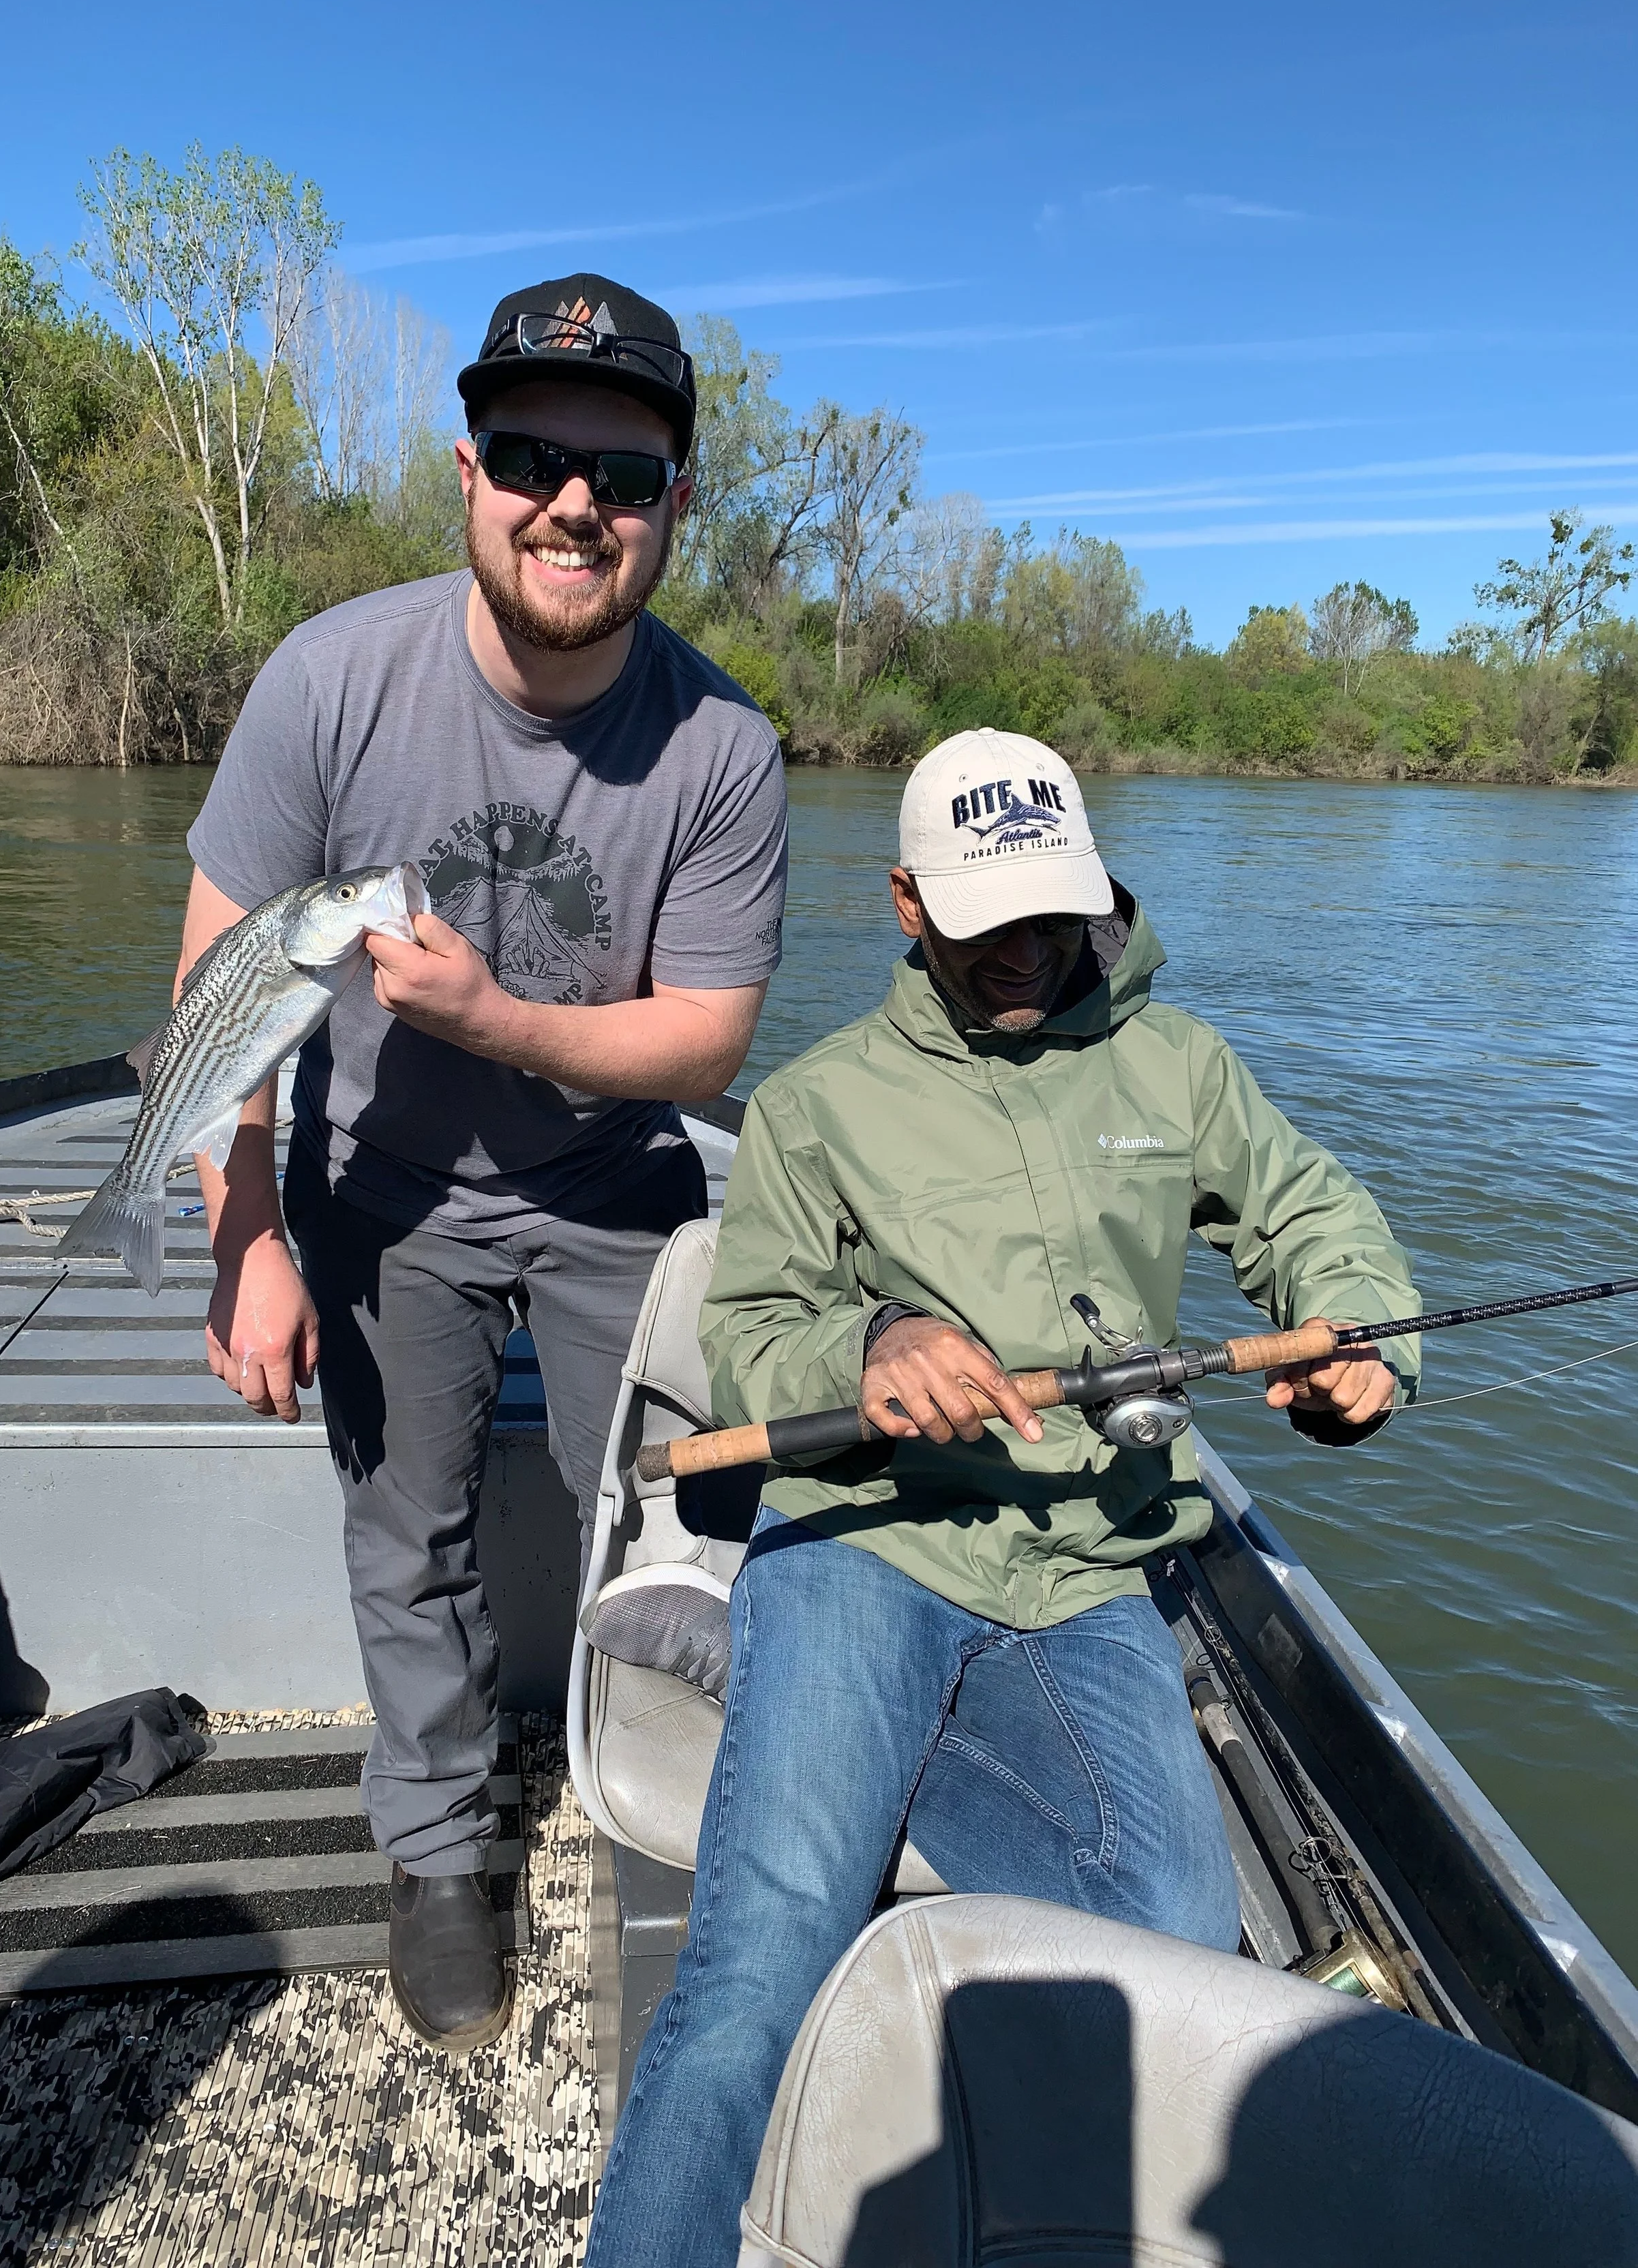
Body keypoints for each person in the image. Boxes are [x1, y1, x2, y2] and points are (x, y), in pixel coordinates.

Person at [583, 727, 1421, 2268]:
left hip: (1087, 1570)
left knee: (1173, 1944)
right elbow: (753, 1332)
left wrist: (1356, 1334)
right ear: (905, 902)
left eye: (1052, 911)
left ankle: (827, 1747)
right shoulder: (817, 1104)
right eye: (984, 924)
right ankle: (769, 1659)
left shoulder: (1176, 1063)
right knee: (758, 1964)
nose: (1026, 951)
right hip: (865, 1539)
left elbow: (1309, 1213)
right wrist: (868, 1344)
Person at [178, 275, 787, 2051]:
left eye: (623, 472)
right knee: (408, 1532)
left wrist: (495, 1016)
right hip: (378, 1180)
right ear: (469, 469)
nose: (573, 502)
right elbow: (220, 967)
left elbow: (704, 1043)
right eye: (533, 455)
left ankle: (668, 1807)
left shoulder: (723, 745)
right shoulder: (328, 678)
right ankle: (441, 1849)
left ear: (672, 505)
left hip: (613, 1176)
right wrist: (247, 1227)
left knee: (690, 1513)